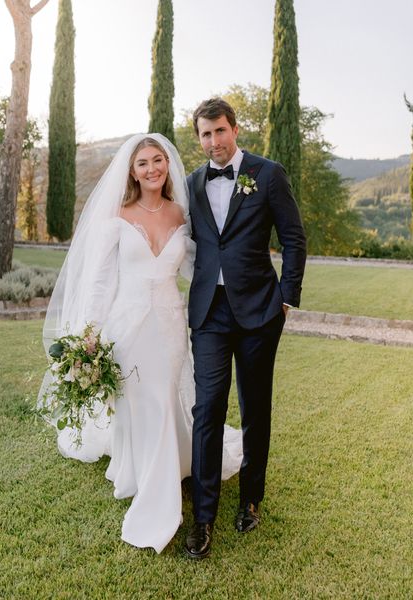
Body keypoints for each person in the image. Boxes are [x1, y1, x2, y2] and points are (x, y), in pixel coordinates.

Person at [40, 133, 243, 554]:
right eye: (142, 163)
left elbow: (197, 267)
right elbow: (98, 281)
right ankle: (153, 486)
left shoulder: (181, 216)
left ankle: (168, 466)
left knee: (167, 399)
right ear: (131, 172)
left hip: (169, 325)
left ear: (167, 165)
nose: (151, 169)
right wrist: (90, 333)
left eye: (157, 161)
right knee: (139, 402)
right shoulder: (116, 216)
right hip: (127, 327)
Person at [183, 98, 307, 559]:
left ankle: (251, 498)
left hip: (259, 311)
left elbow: (293, 237)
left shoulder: (268, 174)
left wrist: (287, 297)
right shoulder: (194, 183)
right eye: (205, 134)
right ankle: (203, 517)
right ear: (198, 138)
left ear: (234, 129)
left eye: (219, 131)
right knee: (207, 408)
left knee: (255, 407)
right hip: (209, 314)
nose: (213, 141)